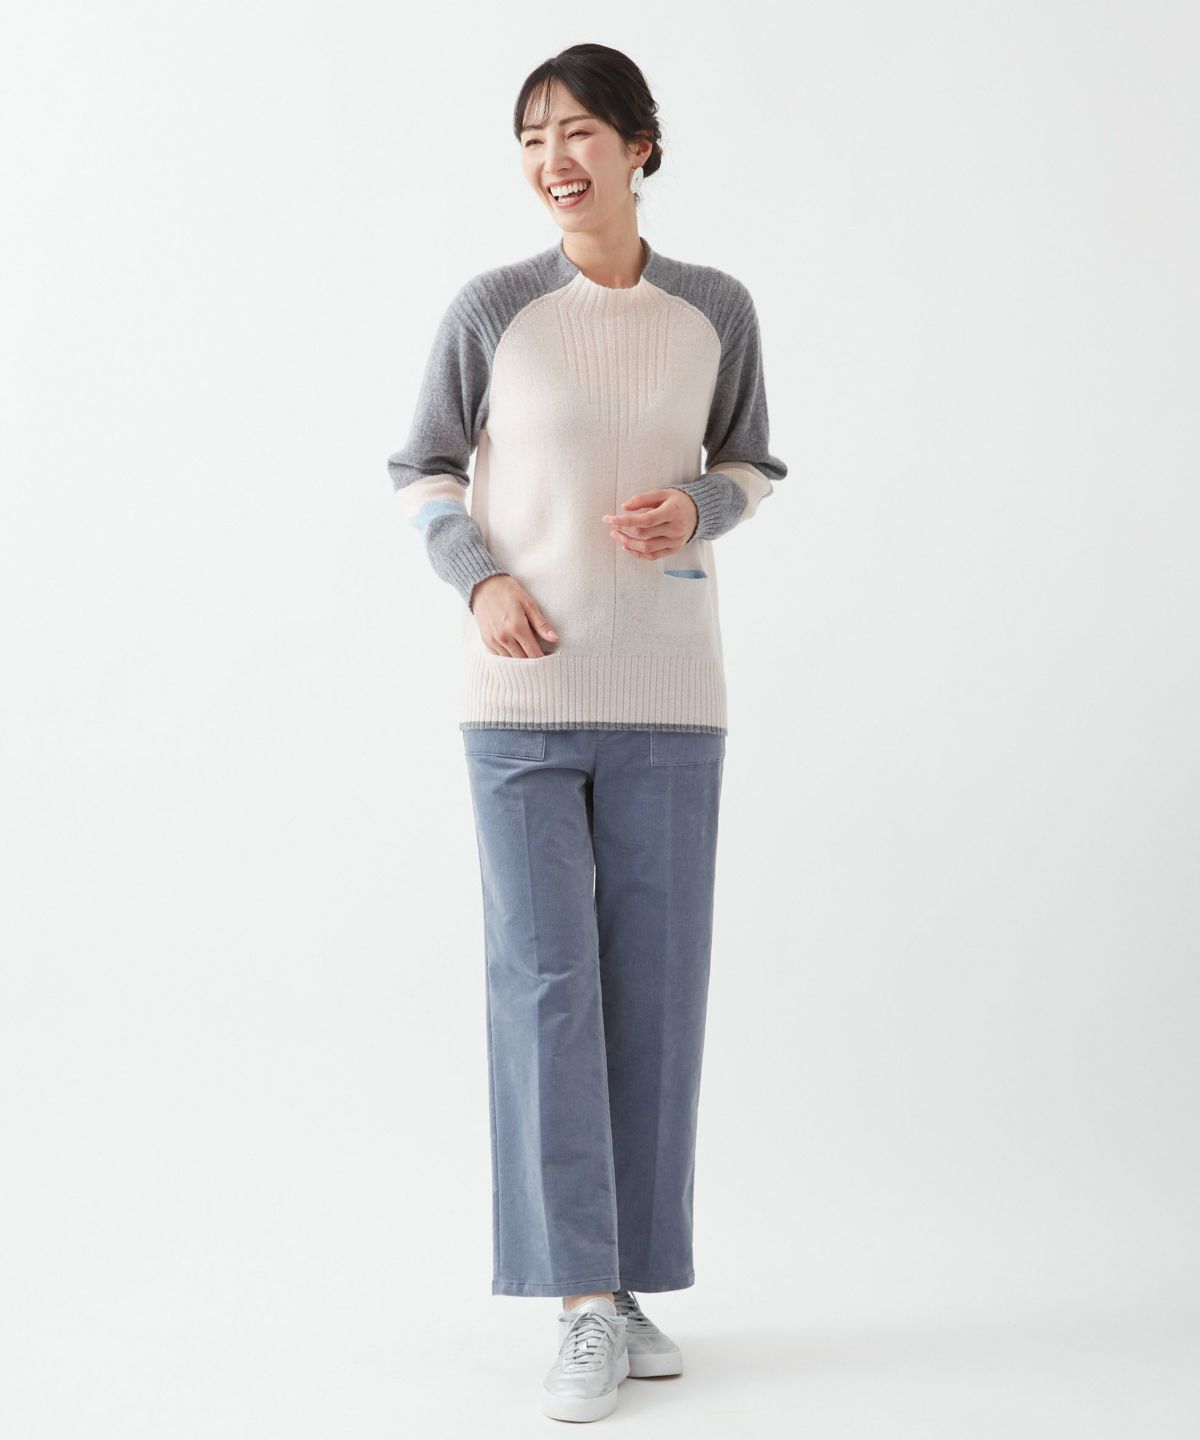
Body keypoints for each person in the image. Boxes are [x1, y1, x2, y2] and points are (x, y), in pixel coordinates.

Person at [387, 44, 787, 1424]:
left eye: (577, 134)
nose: (553, 160)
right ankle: (577, 1301)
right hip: (522, 703)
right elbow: (424, 468)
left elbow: (751, 460)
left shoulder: (714, 308)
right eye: (531, 139)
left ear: (640, 146)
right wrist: (481, 581)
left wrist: (700, 507)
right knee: (548, 989)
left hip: (671, 691)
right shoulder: (494, 309)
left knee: (657, 996)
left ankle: (623, 1284)